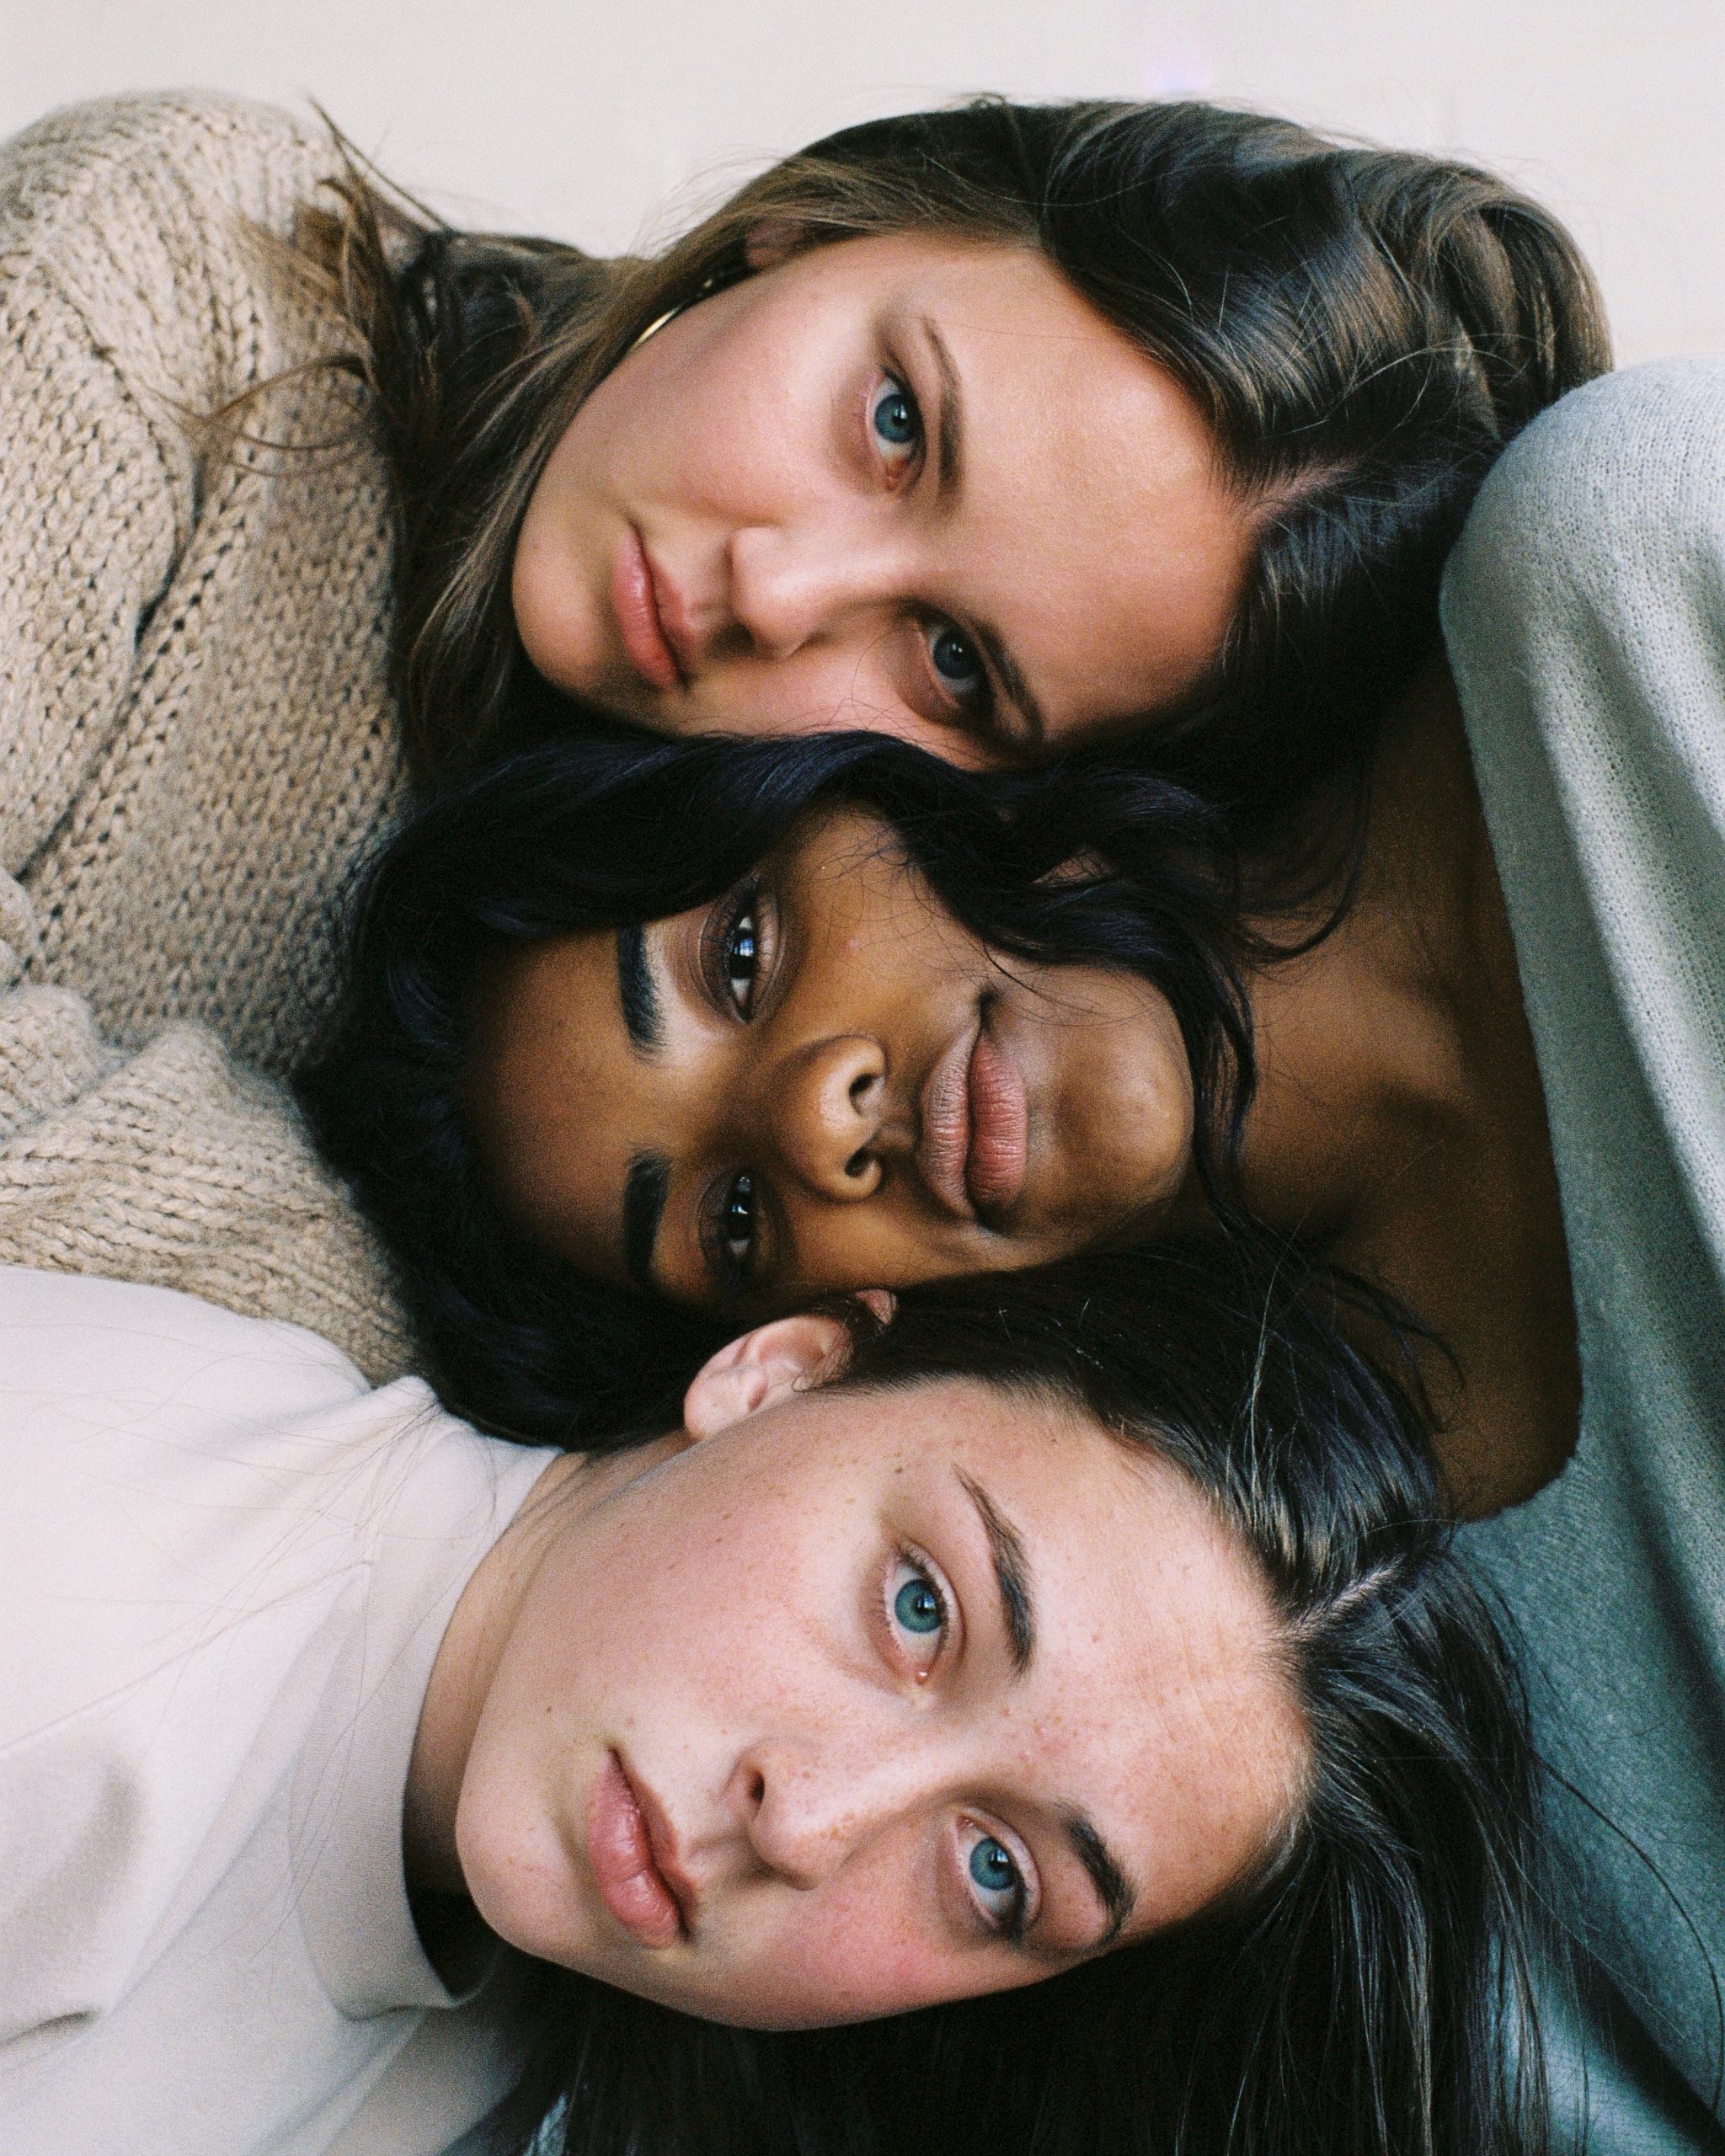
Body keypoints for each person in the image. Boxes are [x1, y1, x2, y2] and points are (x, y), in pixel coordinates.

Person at [315, 361, 1725, 2148]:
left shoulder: (1627, 609)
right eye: (736, 1221)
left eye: (741, 958)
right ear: (800, 1354)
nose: (820, 1113)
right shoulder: (1236, 1783)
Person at [1, 87, 1604, 1087]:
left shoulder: (763, 1038)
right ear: (818, 224)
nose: (777, 594)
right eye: (897, 422)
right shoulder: (170, 284)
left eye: (956, 664)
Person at [0, 1238, 1548, 2156]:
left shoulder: (506, 2020)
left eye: (996, 1875)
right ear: (781, 1371)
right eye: (919, 1608)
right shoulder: (73, 1588)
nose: (805, 1818)